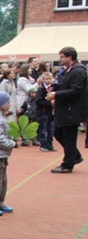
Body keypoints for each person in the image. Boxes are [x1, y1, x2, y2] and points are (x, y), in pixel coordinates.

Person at [48, 46, 87, 174]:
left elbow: (76, 91)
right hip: (65, 109)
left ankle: (67, 164)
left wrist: (56, 94)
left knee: (68, 137)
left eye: (62, 56)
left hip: (72, 110)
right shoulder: (69, 70)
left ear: (69, 57)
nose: (60, 59)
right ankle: (74, 156)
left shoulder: (78, 71)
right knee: (59, 133)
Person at [36, 72, 56, 152]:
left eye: (49, 79)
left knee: (50, 129)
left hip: (51, 112)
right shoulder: (40, 90)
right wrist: (49, 103)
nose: (48, 81)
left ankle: (50, 144)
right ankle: (43, 145)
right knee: (43, 130)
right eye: (46, 79)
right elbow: (39, 101)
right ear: (43, 80)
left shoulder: (54, 88)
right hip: (43, 112)